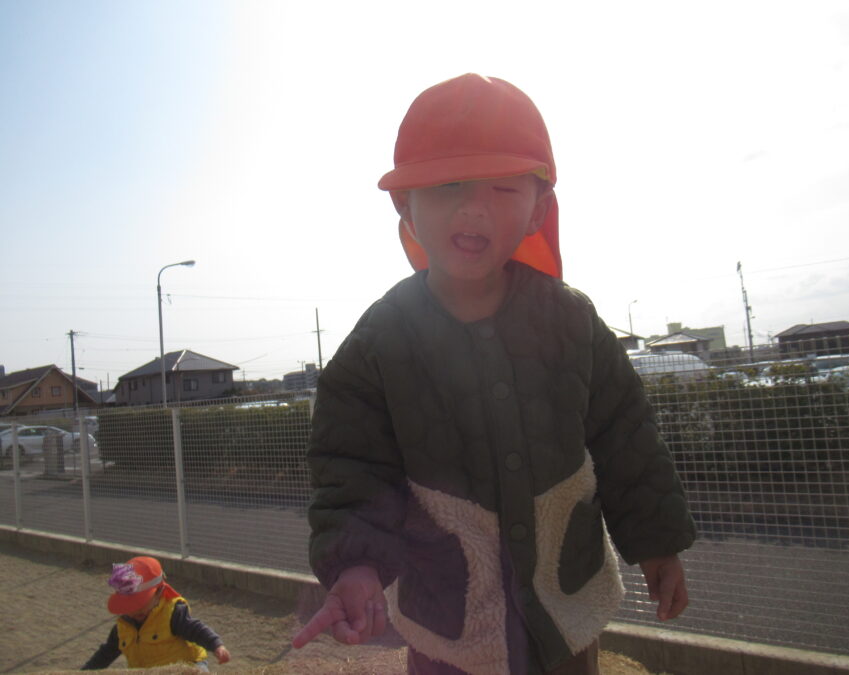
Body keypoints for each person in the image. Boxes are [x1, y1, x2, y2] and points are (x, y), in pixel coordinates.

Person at [292, 73, 696, 675]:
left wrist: (658, 542)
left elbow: (626, 437)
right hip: (448, 625)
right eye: (447, 185)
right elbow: (352, 468)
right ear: (405, 207)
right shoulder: (376, 345)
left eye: (503, 187)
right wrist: (356, 565)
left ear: (540, 209)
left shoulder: (572, 321)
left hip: (563, 610)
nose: (473, 206)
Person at [82, 556, 231, 671]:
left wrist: (217, 646)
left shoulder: (172, 613)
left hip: (187, 667)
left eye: (141, 604)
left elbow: (195, 629)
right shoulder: (123, 627)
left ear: (159, 592)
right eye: (130, 606)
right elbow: (106, 654)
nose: (135, 611)